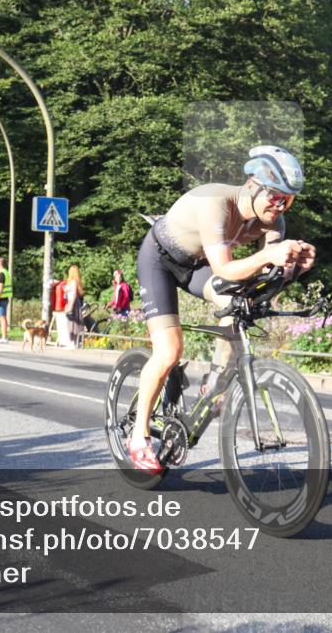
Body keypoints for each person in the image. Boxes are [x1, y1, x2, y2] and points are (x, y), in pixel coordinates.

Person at [129, 145, 316, 473]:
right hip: (160, 260)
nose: (280, 206)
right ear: (252, 186)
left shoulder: (274, 222)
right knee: (169, 351)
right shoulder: (215, 202)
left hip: (197, 265)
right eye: (275, 196)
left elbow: (263, 277)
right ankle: (138, 436)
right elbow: (226, 269)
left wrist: (292, 268)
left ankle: (214, 382)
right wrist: (268, 256)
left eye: (288, 200)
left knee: (240, 303)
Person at [64, 264, 84, 348]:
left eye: (70, 270)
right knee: (72, 322)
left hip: (73, 302)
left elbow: (74, 294)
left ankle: (73, 342)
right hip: (72, 302)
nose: (68, 272)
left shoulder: (73, 282)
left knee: (72, 322)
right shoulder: (73, 281)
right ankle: (74, 341)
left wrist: (70, 305)